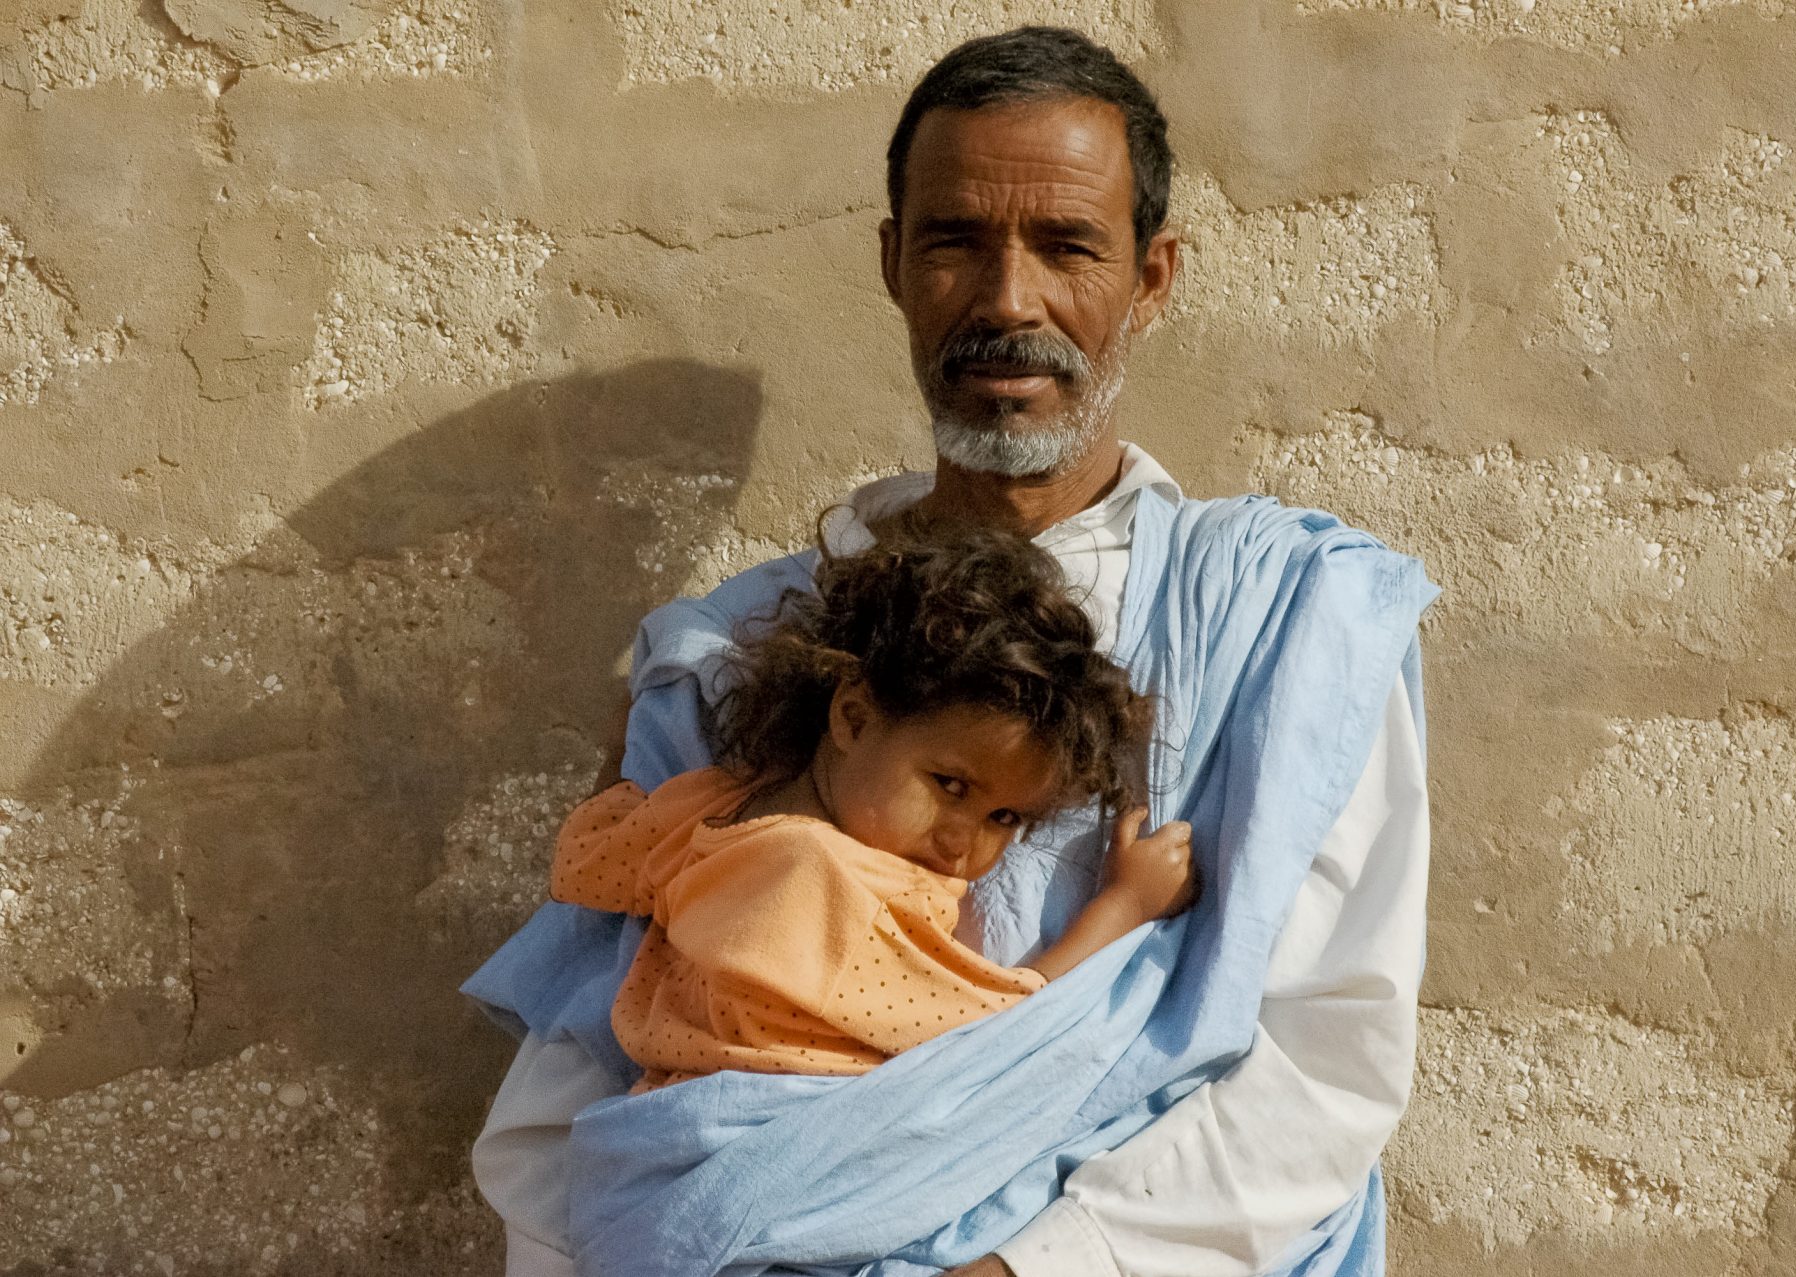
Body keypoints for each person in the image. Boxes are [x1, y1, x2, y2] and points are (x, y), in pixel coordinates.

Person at [468, 25, 1433, 1277]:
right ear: (892, 264)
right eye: (956, 242)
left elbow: (1327, 1061)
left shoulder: (1290, 624)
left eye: (1068, 247)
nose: (1007, 301)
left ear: (1151, 278)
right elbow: (582, 1082)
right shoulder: (729, 656)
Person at [546, 525, 1194, 1093]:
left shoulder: (708, 804)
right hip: (774, 1123)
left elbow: (584, 858)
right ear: (853, 717)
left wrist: (628, 744)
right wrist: (1124, 905)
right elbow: (994, 1034)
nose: (962, 837)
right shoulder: (825, 885)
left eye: (1006, 818)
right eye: (951, 784)